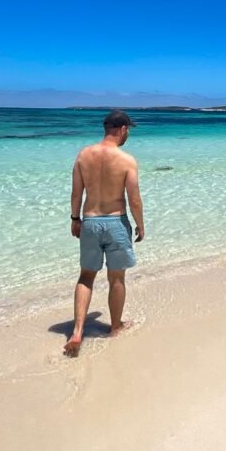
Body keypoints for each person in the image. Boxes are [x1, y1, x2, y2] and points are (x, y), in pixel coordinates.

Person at [64, 109, 145, 356]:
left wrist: (75, 219)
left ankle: (77, 332)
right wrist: (140, 225)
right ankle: (115, 326)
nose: (128, 133)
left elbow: (76, 193)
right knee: (117, 278)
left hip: (89, 221)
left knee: (86, 276)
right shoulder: (127, 160)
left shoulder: (83, 155)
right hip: (115, 222)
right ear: (122, 130)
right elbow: (134, 199)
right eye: (128, 129)